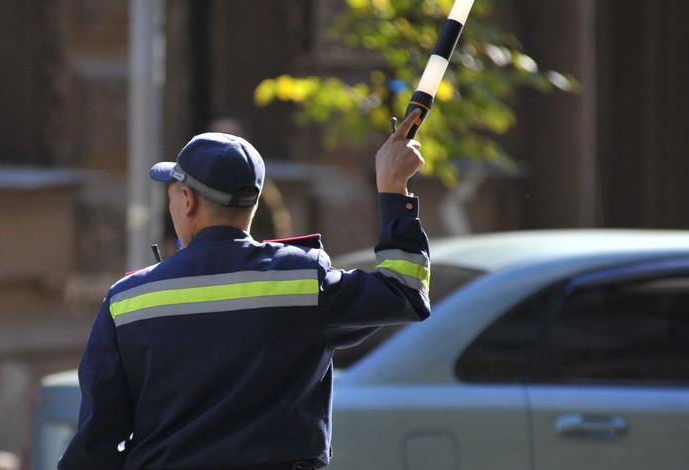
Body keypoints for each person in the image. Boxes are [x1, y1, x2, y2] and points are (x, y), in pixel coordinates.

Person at [59, 110, 430, 470]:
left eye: (171, 192)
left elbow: (96, 445)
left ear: (187, 201)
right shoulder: (303, 280)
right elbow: (405, 289)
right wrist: (393, 187)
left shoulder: (127, 302)